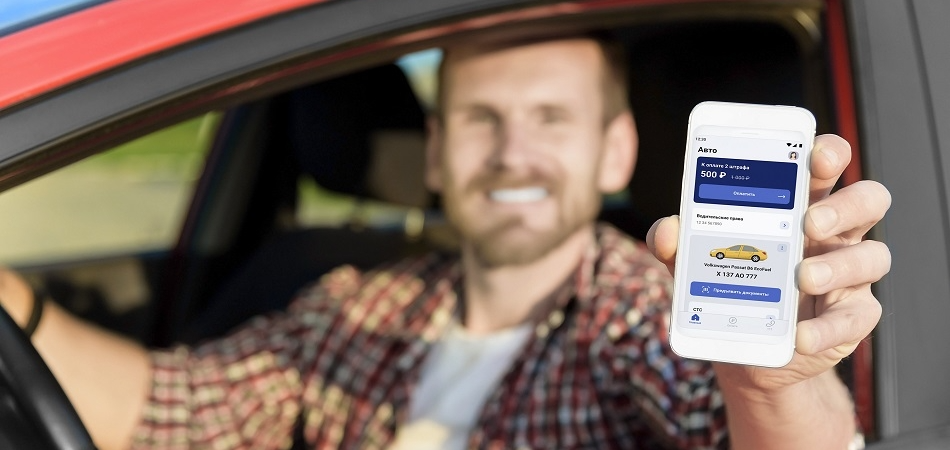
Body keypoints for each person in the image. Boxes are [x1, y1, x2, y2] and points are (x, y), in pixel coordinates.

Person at [0, 34, 890, 450]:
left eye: (551, 118)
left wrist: (772, 385)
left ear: (616, 149)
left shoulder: (639, 315)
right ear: (435, 151)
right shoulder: (357, 305)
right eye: (480, 118)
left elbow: (733, 429)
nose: (511, 152)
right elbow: (168, 409)